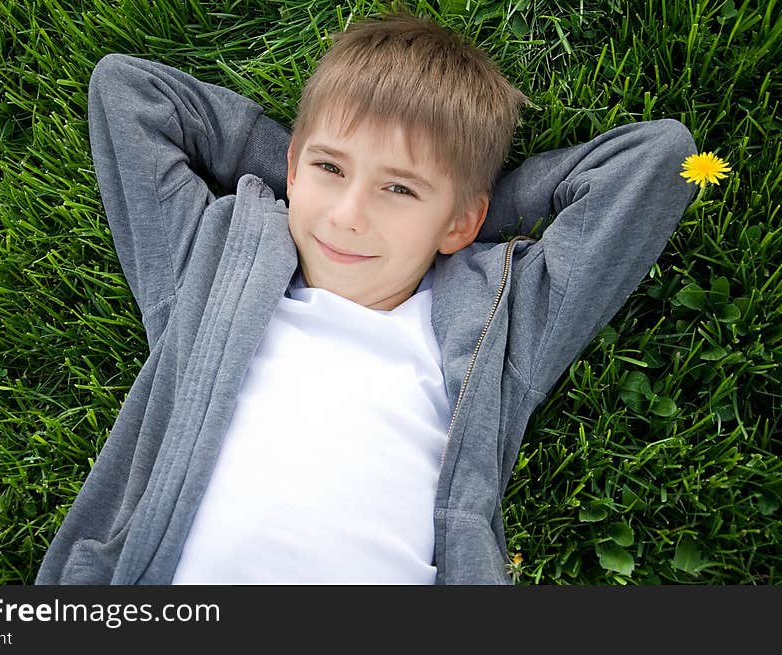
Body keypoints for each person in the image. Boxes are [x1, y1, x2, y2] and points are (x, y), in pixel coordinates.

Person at [35, 7, 697, 585]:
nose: (349, 215)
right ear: (294, 165)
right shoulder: (208, 270)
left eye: (399, 189)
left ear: (462, 220)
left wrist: (459, 224)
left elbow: (659, 159)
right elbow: (127, 90)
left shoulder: (502, 322)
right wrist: (309, 188)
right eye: (329, 167)